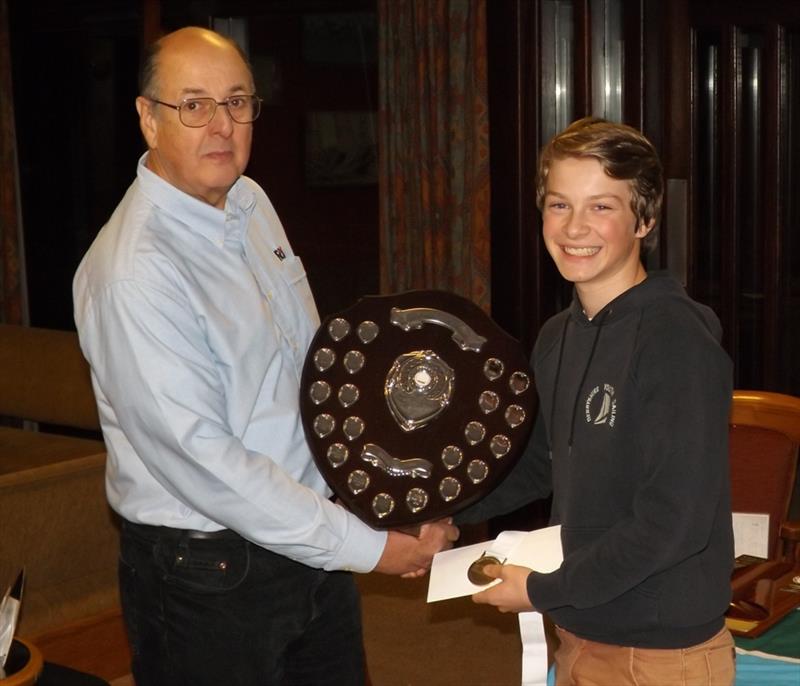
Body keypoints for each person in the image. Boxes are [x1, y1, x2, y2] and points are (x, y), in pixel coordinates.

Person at [73, 26, 458, 686]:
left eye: (237, 102)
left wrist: (391, 489)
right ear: (147, 118)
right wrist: (370, 548)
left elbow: (309, 368)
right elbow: (208, 464)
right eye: (193, 105)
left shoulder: (250, 203)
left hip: (308, 536)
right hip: (207, 577)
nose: (221, 126)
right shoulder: (135, 273)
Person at [462, 117, 735, 685]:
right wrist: (442, 516)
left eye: (602, 207)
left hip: (659, 653)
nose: (575, 227)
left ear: (646, 219)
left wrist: (542, 590)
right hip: (583, 627)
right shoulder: (558, 334)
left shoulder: (676, 338)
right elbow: (537, 461)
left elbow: (673, 521)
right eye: (560, 205)